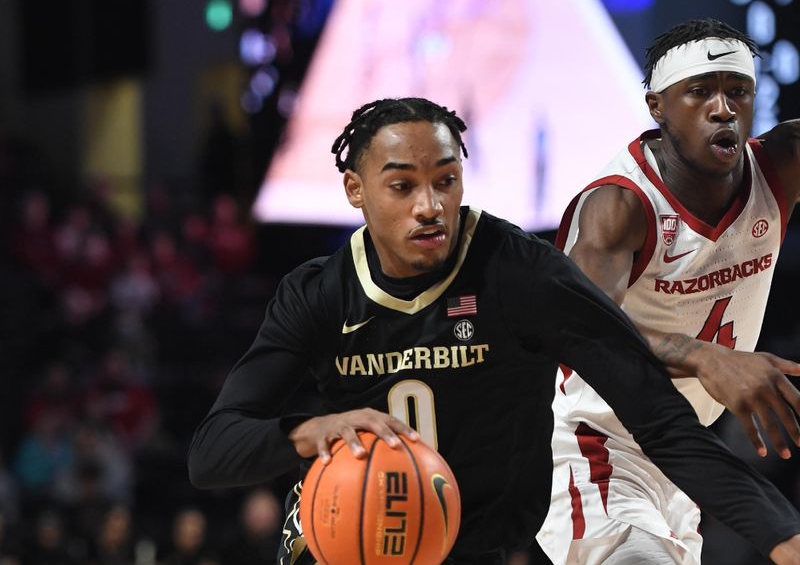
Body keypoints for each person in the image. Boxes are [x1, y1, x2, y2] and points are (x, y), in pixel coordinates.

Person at [188, 97, 800, 565]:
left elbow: (660, 419)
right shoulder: (317, 292)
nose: (429, 205)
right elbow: (212, 452)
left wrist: (781, 531)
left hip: (483, 546)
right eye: (402, 186)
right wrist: (305, 431)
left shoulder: (522, 275)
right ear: (356, 189)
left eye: (446, 181)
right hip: (353, 539)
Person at [536, 18, 800, 565]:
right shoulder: (619, 205)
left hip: (683, 453)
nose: (723, 108)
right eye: (700, 92)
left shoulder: (782, 162)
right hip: (595, 446)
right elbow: (579, 331)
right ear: (657, 106)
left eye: (738, 92)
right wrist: (704, 356)